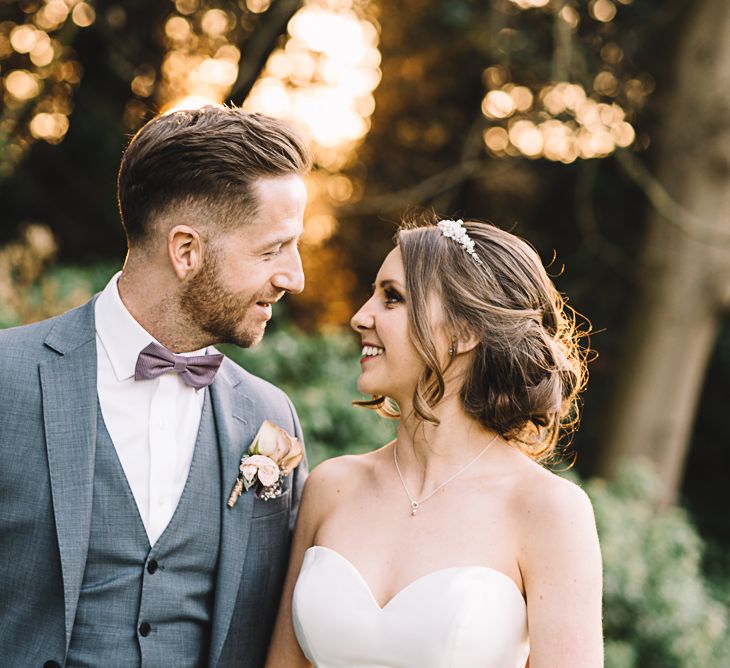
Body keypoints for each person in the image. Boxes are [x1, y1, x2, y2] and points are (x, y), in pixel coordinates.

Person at [0, 105, 311, 667]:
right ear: (186, 250)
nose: (295, 276)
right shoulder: (8, 379)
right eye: (272, 250)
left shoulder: (270, 414)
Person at [266, 215, 603, 667]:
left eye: (392, 298)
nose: (359, 316)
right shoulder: (332, 487)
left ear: (464, 332)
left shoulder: (547, 510)